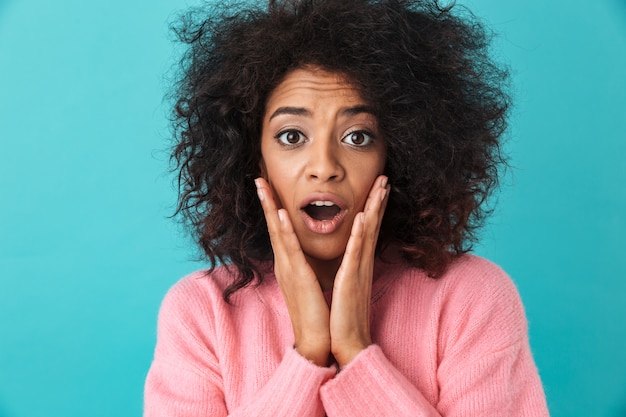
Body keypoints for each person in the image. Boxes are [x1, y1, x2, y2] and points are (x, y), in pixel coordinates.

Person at [144, 0, 550, 415]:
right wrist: (306, 356)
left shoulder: (472, 298)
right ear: (255, 158)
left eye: (358, 137)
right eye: (291, 136)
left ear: (397, 154)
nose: (324, 167)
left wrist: (356, 351)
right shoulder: (202, 312)